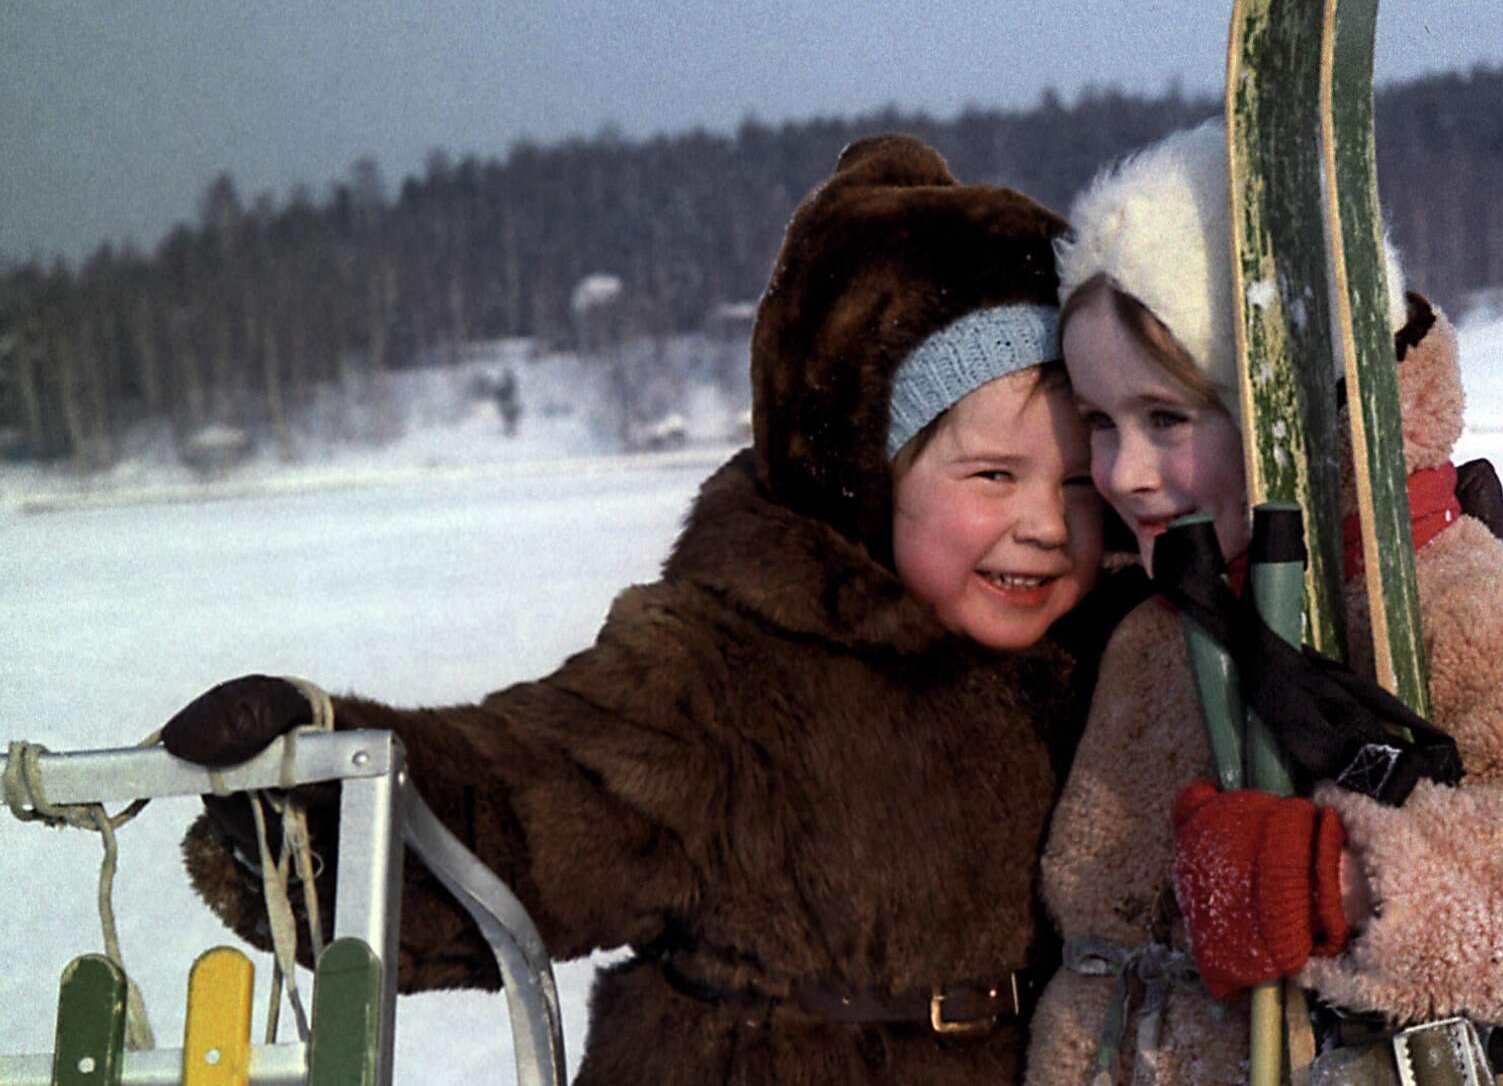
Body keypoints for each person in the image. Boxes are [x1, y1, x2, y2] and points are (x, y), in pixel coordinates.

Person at [158, 135, 1114, 1086]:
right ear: (863, 470)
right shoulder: (729, 669)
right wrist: (322, 793)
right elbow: (526, 796)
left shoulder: (1117, 664)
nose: (1046, 524)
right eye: (994, 474)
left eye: (1078, 478)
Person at [1024, 123, 1503, 1084]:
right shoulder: (1154, 621)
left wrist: (1337, 880)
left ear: (1280, 401)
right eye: (1096, 422)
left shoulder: (1433, 592)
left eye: (1166, 418)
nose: (1122, 471)